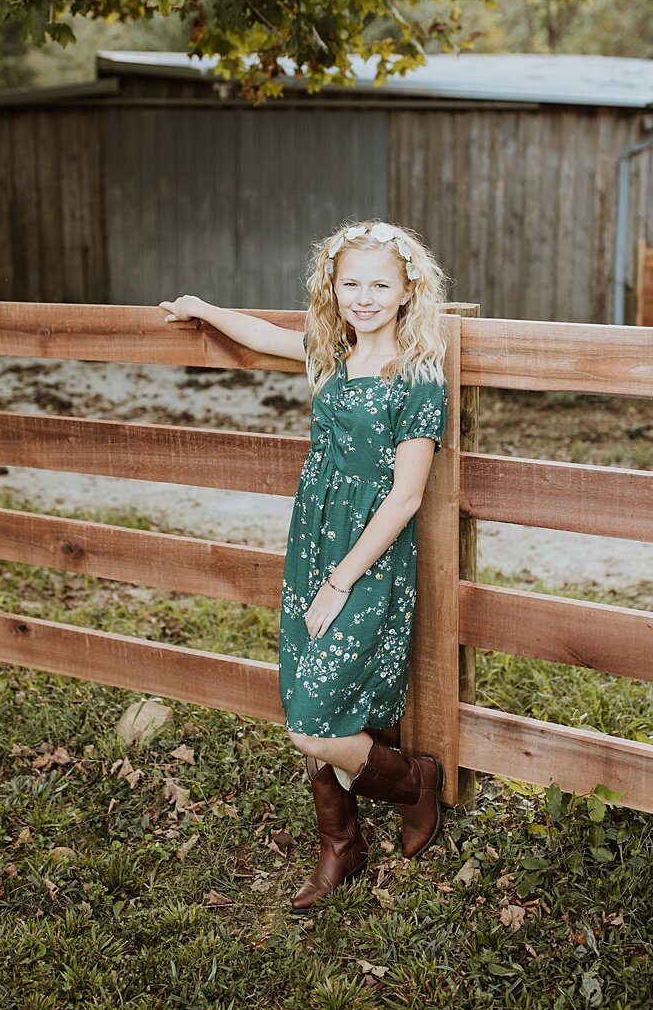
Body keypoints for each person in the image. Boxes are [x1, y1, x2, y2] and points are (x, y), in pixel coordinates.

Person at [159, 219, 449, 912]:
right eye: (351, 283)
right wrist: (201, 308)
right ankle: (340, 843)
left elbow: (407, 495)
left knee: (314, 720)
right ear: (333, 288)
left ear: (409, 291)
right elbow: (261, 337)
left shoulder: (417, 377)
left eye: (381, 284)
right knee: (305, 689)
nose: (364, 296)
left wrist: (343, 576)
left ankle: (414, 784)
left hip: (365, 555)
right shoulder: (329, 356)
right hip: (312, 543)